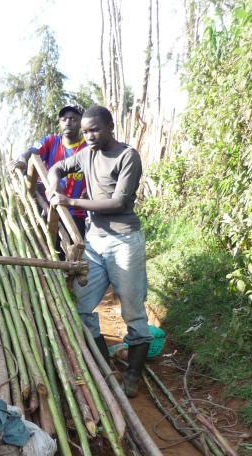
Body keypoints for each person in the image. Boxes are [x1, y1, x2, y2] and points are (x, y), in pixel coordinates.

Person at [47, 105, 153, 397]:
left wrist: (71, 201)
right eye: (85, 131)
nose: (89, 136)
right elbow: (57, 167)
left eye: (95, 130)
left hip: (124, 241)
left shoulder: (127, 156)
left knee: (132, 310)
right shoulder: (86, 154)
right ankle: (104, 366)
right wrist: (53, 186)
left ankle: (132, 374)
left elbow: (119, 203)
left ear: (110, 127)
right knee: (81, 305)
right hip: (94, 241)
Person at [13, 105, 88, 256]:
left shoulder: (88, 148)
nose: (68, 122)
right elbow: (32, 152)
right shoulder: (52, 141)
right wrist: (22, 160)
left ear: (81, 123)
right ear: (60, 123)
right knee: (47, 253)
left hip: (75, 213)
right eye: (64, 119)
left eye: (73, 119)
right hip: (49, 211)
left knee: (70, 256)